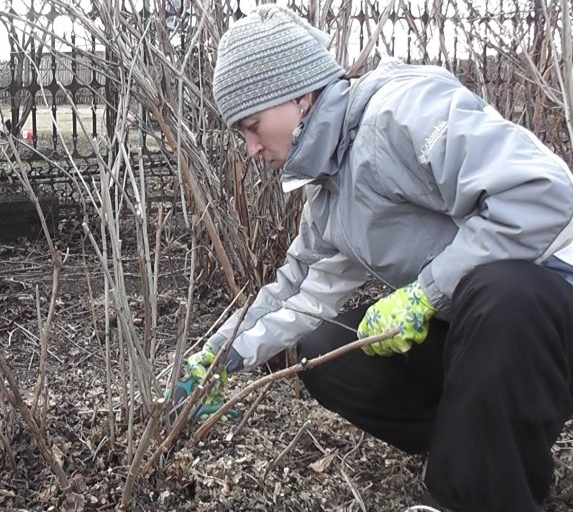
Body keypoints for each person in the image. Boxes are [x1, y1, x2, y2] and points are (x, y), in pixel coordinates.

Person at [182, 4, 573, 512]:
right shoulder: (329, 188)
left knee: (501, 291)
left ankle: (472, 496)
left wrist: (427, 291)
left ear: (300, 95)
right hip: (490, 338)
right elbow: (299, 291)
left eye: (254, 125)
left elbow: (542, 196)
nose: (252, 148)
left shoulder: (404, 113)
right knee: (329, 351)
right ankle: (484, 449)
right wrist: (222, 355)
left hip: (551, 309)